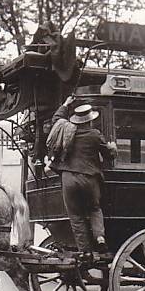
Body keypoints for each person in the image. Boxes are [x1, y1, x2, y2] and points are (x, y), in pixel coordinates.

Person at [50, 96, 118, 263]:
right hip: (89, 178)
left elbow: (56, 120)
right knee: (95, 209)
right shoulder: (95, 135)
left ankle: (85, 252)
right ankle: (100, 238)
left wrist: (65, 104)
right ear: (89, 120)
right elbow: (109, 155)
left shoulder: (67, 131)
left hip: (68, 178)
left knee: (75, 215)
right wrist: (112, 148)